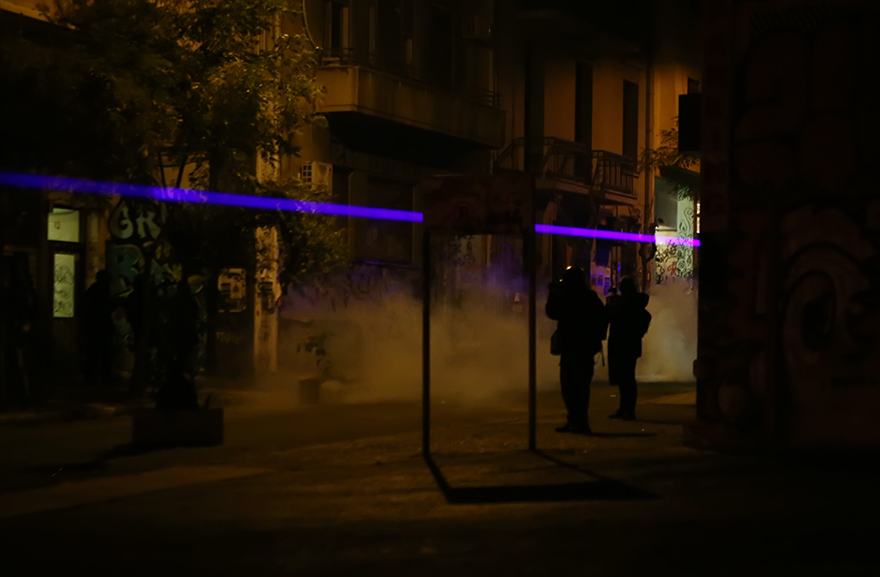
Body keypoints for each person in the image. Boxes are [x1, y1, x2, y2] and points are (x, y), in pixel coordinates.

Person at [546, 266, 608, 434]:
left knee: (571, 388)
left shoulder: (570, 297)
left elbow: (552, 312)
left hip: (574, 348)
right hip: (583, 349)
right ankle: (578, 421)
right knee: (579, 388)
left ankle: (578, 421)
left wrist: (553, 293)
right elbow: (602, 318)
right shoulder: (590, 297)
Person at [606, 278, 652, 421]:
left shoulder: (624, 304)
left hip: (621, 343)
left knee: (626, 379)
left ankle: (627, 409)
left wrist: (611, 305)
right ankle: (625, 408)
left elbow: (609, 317)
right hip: (631, 344)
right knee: (626, 378)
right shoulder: (636, 303)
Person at [83, 270, 115, 388]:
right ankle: (101, 376)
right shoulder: (100, 291)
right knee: (100, 353)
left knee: (95, 354)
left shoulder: (94, 290)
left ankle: (93, 376)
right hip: (99, 327)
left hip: (95, 327)